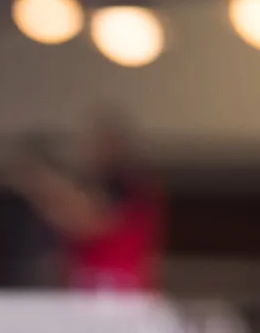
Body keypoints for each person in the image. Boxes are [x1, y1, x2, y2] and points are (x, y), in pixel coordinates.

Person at [8, 111, 164, 295]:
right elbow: (74, 214)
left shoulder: (130, 188)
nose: (88, 151)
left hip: (119, 296)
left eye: (95, 143)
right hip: (89, 294)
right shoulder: (95, 185)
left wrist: (41, 181)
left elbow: (88, 220)